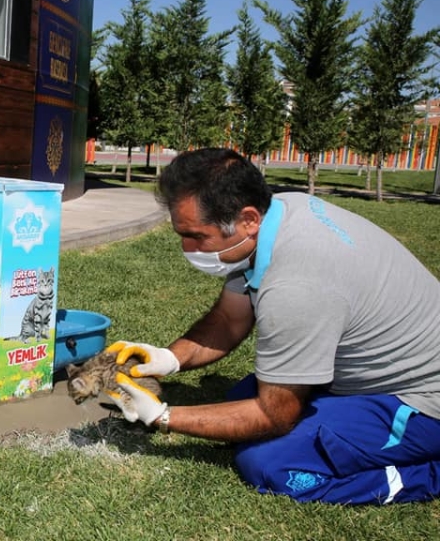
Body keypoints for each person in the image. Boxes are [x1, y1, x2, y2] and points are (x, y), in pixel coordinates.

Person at [107, 147, 440, 505]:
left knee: (268, 462)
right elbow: (229, 318)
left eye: (196, 236)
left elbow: (274, 415)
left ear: (248, 219)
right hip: (373, 375)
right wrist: (168, 358)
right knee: (238, 402)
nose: (186, 247)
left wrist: (162, 416)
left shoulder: (297, 287)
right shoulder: (281, 212)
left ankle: (426, 476)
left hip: (421, 403)